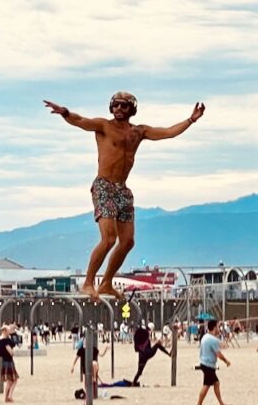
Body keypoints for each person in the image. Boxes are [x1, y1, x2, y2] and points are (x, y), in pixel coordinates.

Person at [46, 93, 204, 301]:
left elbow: (168, 133)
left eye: (124, 105)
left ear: (131, 109)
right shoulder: (103, 126)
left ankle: (107, 283)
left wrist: (191, 120)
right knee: (109, 238)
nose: (119, 108)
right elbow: (81, 121)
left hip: (122, 190)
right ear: (111, 107)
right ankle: (88, 282)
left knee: (128, 241)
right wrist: (65, 113)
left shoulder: (138, 132)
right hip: (104, 186)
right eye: (116, 105)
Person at [197, 320, 231, 405]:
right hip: (208, 365)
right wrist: (226, 361)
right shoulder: (213, 339)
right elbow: (218, 354)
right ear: (214, 327)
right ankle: (199, 404)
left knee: (215, 383)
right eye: (218, 326)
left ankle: (221, 404)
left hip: (204, 363)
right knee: (207, 385)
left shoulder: (205, 337)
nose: (219, 328)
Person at [0, 325, 18, 403]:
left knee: (10, 380)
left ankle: (7, 397)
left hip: (4, 361)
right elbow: (10, 352)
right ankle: (9, 396)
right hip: (9, 361)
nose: (9, 332)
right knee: (14, 380)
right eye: (8, 331)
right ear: (5, 331)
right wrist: (13, 352)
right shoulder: (6, 341)